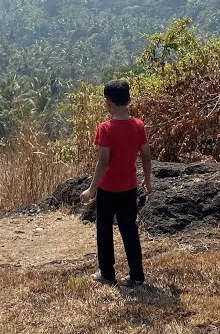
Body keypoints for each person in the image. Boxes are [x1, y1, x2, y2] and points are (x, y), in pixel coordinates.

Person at [80, 79, 152, 286]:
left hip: (108, 189)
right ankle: (137, 276)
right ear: (129, 100)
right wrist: (147, 179)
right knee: (129, 229)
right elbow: (146, 156)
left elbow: (103, 161)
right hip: (129, 187)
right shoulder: (138, 125)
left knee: (104, 228)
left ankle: (107, 274)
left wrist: (91, 189)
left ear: (108, 103)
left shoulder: (106, 128)